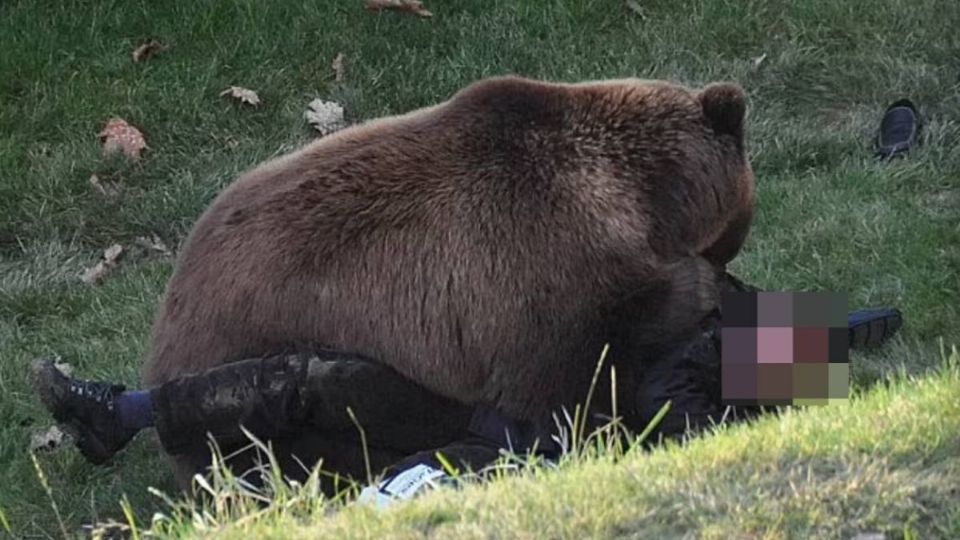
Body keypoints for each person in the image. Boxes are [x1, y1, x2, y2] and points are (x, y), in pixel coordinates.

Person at [30, 273, 902, 504]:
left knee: (410, 492)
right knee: (318, 378)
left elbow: (662, 423)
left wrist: (829, 344)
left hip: (525, 456)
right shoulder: (707, 309)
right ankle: (123, 415)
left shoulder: (714, 386)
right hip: (488, 403)